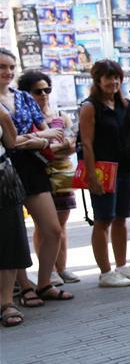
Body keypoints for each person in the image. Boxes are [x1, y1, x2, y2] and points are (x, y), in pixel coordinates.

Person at [0, 47, 71, 304]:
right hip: (5, 168)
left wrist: (32, 139)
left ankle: (44, 283)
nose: (7, 72)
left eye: (10, 67)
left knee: (52, 229)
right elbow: (10, 143)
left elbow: (49, 134)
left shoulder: (24, 98)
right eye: (1, 67)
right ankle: (24, 286)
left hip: (32, 165)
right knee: (14, 232)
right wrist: (36, 138)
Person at [78, 60, 130, 288]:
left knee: (120, 219)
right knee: (102, 220)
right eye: (108, 77)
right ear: (98, 80)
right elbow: (86, 144)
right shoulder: (89, 107)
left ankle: (121, 264)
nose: (114, 82)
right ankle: (105, 272)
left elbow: (128, 140)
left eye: (117, 77)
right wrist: (92, 176)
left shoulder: (123, 104)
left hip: (125, 168)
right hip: (102, 171)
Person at [17, 70, 79, 284]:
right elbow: (25, 145)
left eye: (47, 89)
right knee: (43, 227)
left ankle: (61, 268)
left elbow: (70, 145)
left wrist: (49, 145)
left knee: (60, 226)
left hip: (62, 175)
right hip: (38, 175)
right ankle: (49, 270)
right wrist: (50, 144)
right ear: (26, 94)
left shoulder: (60, 117)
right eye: (37, 91)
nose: (43, 94)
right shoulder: (26, 118)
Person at [1, 93, 33, 325]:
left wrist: (4, 116)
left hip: (3, 177)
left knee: (9, 238)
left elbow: (11, 142)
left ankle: (6, 302)